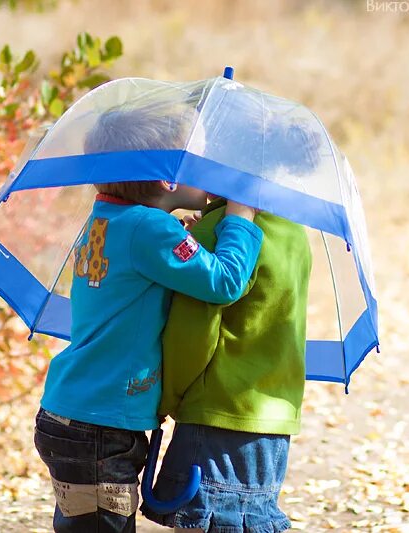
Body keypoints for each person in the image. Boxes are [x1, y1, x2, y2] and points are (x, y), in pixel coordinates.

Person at [33, 106, 264, 533]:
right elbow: (225, 281)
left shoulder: (108, 218)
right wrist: (241, 218)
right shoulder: (151, 230)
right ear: (167, 178)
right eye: (197, 159)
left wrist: (185, 235)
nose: (208, 169)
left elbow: (143, 270)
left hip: (73, 412)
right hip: (102, 425)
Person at [140, 118, 316, 532]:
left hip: (215, 418)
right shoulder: (294, 233)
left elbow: (192, 336)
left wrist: (165, 399)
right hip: (273, 422)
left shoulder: (217, 232)